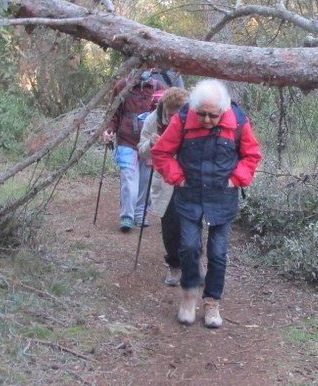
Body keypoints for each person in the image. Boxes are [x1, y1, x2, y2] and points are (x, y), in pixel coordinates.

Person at [152, 79, 262, 328]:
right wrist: (177, 178)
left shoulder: (237, 121)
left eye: (212, 115)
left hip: (222, 196)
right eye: (201, 114)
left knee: (218, 253)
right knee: (189, 247)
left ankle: (212, 302)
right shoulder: (182, 120)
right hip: (189, 194)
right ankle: (189, 295)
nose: (207, 120)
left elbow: (252, 155)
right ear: (194, 107)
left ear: (222, 110)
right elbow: (161, 153)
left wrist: (237, 179)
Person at [137, 86, 190, 285]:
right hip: (166, 177)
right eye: (171, 114)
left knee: (192, 221)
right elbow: (141, 150)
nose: (175, 118)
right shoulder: (153, 120)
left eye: (179, 114)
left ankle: (193, 263)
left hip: (190, 175)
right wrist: (152, 144)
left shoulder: (194, 116)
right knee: (170, 223)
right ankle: (175, 266)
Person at [103, 69, 166, 232]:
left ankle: (140, 214)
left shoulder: (159, 87)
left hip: (150, 142)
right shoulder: (122, 86)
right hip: (127, 140)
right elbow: (113, 112)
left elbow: (166, 115)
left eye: (146, 66)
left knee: (146, 179)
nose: (142, 70)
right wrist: (109, 130)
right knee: (128, 177)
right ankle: (127, 216)